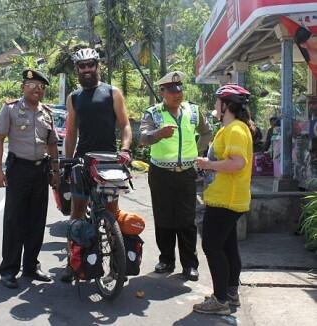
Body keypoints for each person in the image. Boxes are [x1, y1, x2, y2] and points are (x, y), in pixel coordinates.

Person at [60, 48, 132, 282]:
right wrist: (66, 164)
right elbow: (70, 133)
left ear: (98, 65)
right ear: (77, 69)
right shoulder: (74, 97)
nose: (87, 69)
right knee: (77, 214)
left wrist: (125, 149)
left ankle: (115, 267)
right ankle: (74, 265)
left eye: (91, 64)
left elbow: (125, 125)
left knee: (112, 214)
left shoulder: (113, 92)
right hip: (82, 160)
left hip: (110, 160)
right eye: (82, 66)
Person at [139, 71, 211, 281]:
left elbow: (207, 132)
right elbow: (142, 138)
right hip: (161, 173)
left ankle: (190, 265)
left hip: (186, 173)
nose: (176, 95)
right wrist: (158, 134)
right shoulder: (153, 113)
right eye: (171, 91)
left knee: (187, 220)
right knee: (163, 217)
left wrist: (196, 151)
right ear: (162, 92)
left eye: (179, 90)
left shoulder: (194, 111)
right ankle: (166, 260)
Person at [0, 69, 59, 289]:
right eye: (32, 86)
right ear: (23, 87)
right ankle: (9, 269)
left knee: (37, 220)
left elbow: (52, 144)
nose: (37, 90)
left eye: (41, 87)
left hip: (41, 171)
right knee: (14, 220)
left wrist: (56, 171)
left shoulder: (47, 113)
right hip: (18, 169)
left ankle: (31, 265)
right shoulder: (10, 109)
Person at [193, 84, 253, 315]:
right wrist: (207, 165)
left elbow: (238, 163)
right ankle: (229, 293)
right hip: (226, 197)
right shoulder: (229, 128)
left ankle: (220, 300)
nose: (215, 106)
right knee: (228, 246)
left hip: (226, 199)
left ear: (226, 105)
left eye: (218, 102)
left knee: (212, 245)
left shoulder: (235, 130)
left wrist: (208, 164)